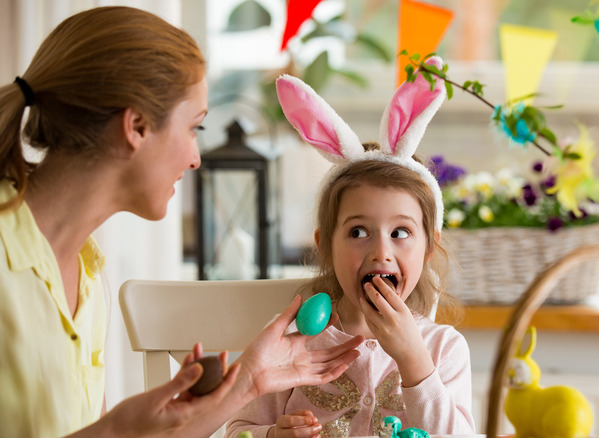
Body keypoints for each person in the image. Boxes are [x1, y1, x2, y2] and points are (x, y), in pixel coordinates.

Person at [0, 6, 364, 438]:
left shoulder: (85, 271)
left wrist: (250, 381)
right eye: (194, 128)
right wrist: (115, 430)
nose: (195, 158)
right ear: (135, 126)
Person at [226, 57, 475, 438]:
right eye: (358, 232)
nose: (380, 252)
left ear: (429, 248)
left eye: (401, 232)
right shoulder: (292, 342)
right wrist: (273, 435)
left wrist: (414, 361)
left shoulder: (442, 349)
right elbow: (237, 431)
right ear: (325, 244)